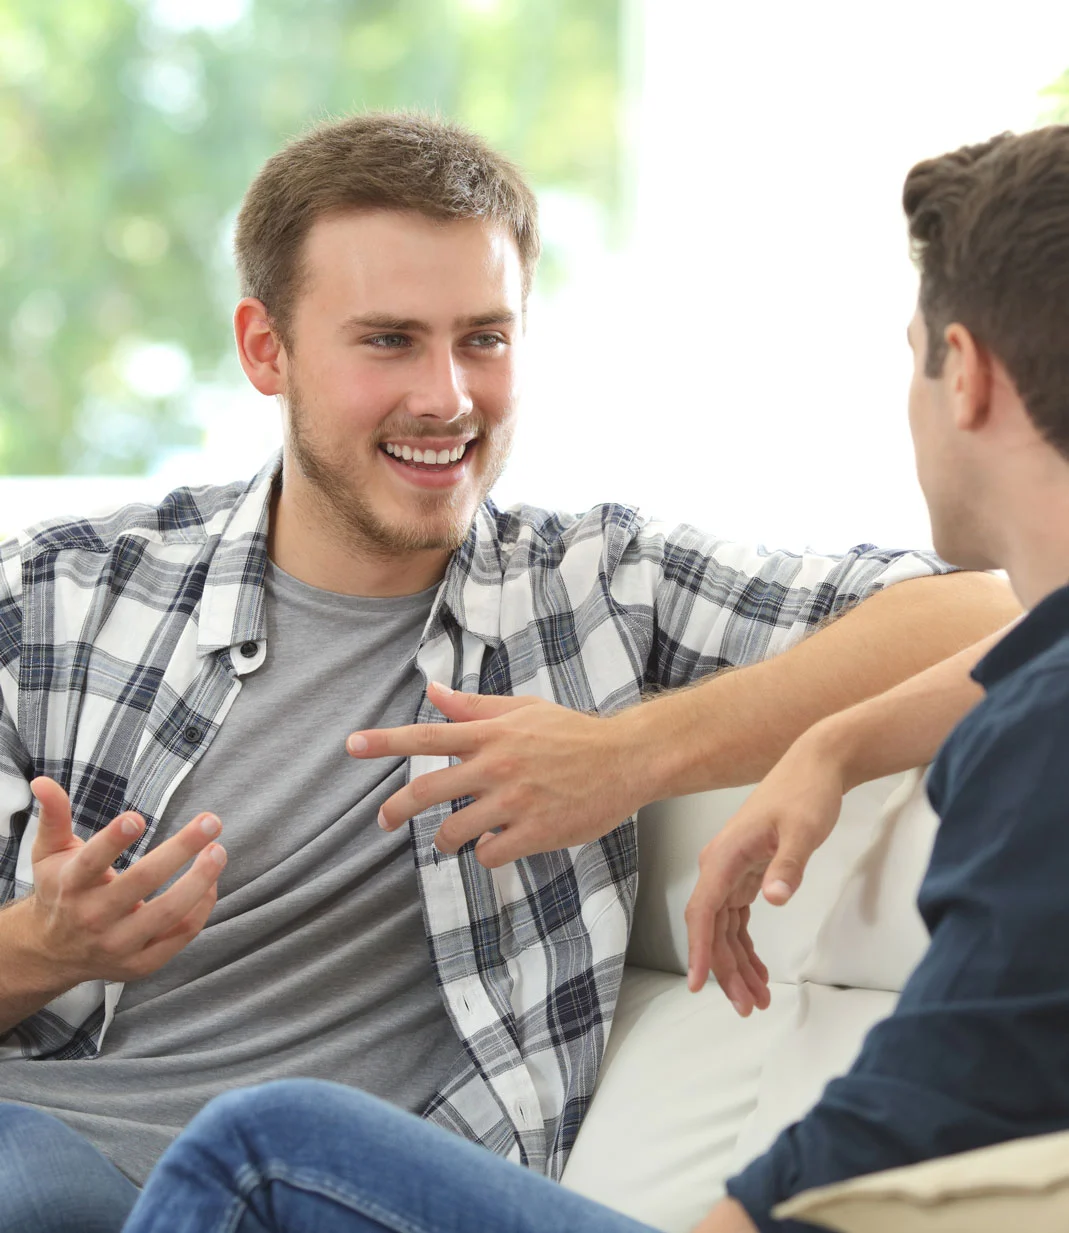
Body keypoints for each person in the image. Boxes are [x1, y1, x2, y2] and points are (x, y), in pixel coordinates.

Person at [0, 112, 1017, 1233]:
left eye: (484, 338)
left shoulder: (596, 588)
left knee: (260, 1144)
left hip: (328, 1195)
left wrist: (631, 755)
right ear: (264, 349)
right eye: (387, 341)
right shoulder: (56, 600)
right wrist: (46, 948)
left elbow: (986, 609)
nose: (447, 398)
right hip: (42, 1153)